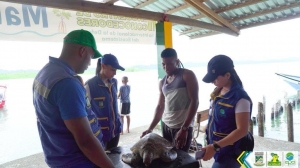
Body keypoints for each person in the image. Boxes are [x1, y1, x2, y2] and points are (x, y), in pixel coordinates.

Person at [32, 29, 114, 168]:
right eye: (91, 56)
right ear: (82, 51)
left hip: (58, 156)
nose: (90, 63)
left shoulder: (45, 72)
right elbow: (85, 141)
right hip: (78, 162)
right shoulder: (67, 84)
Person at [140, 48, 199, 152]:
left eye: (170, 64)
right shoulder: (162, 82)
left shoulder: (187, 75)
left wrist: (184, 128)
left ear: (177, 61)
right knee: (167, 157)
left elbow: (195, 101)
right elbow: (160, 106)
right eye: (163, 64)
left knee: (181, 159)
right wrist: (150, 128)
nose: (166, 67)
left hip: (182, 127)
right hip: (166, 126)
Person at [201, 55, 253, 168]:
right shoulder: (218, 91)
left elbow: (242, 130)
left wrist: (214, 147)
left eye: (215, 78)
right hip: (219, 149)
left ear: (228, 75)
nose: (212, 82)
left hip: (231, 152)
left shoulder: (241, 98)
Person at [85, 54, 124, 150]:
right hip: (100, 134)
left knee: (113, 158)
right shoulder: (89, 85)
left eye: (116, 70)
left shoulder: (114, 82)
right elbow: (85, 112)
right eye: (112, 69)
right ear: (103, 66)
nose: (115, 73)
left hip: (115, 131)